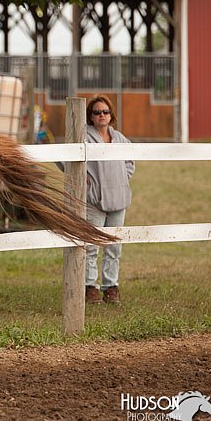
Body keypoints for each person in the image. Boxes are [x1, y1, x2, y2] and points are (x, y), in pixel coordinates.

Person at [84, 96, 135, 305]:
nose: (101, 115)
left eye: (105, 111)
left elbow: (130, 162)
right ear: (91, 116)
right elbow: (63, 160)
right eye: (97, 112)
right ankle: (89, 286)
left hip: (118, 199)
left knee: (114, 246)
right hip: (94, 200)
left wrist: (123, 178)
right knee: (90, 244)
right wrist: (85, 181)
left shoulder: (120, 139)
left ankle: (110, 286)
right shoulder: (83, 138)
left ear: (111, 114)